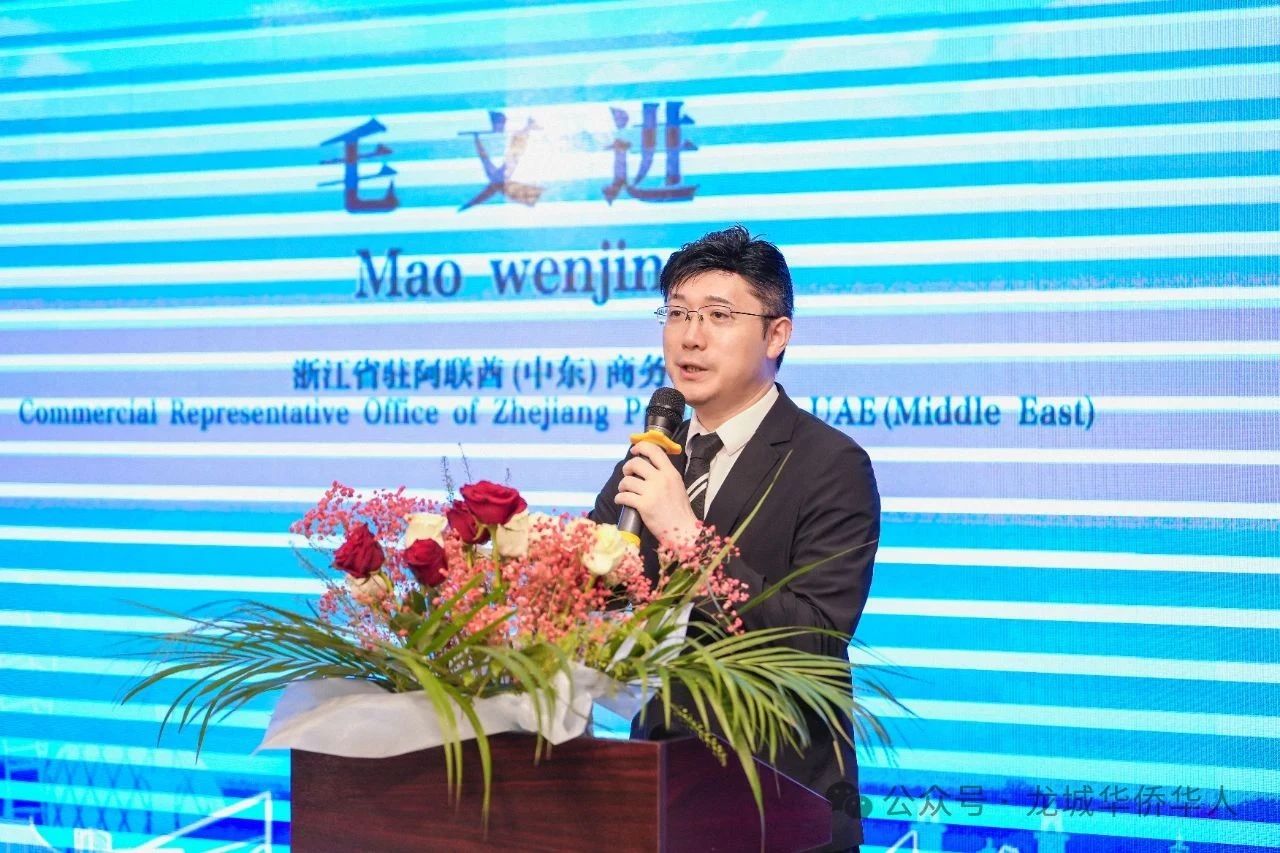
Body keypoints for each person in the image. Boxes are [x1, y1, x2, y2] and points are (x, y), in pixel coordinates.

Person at [590, 225, 880, 851]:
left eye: (718, 316)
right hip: (660, 794)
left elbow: (814, 639)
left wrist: (687, 538)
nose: (690, 337)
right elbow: (596, 596)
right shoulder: (652, 457)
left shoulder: (830, 464)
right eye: (677, 313)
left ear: (777, 334)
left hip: (780, 800)